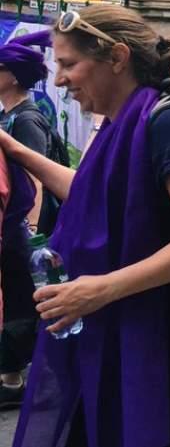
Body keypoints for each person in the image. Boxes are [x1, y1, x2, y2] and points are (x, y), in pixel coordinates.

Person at [11, 5, 170, 447]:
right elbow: (91, 191)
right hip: (127, 328)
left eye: (69, 64)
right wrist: (16, 152)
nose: (59, 81)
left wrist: (100, 289)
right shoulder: (121, 126)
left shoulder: (168, 123)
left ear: (116, 57)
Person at [0, 40, 50, 408]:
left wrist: (29, 232)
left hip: (20, 225)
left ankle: (13, 378)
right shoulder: (8, 115)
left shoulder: (26, 118)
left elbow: (35, 175)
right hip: (12, 221)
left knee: (20, 299)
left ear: (12, 76)